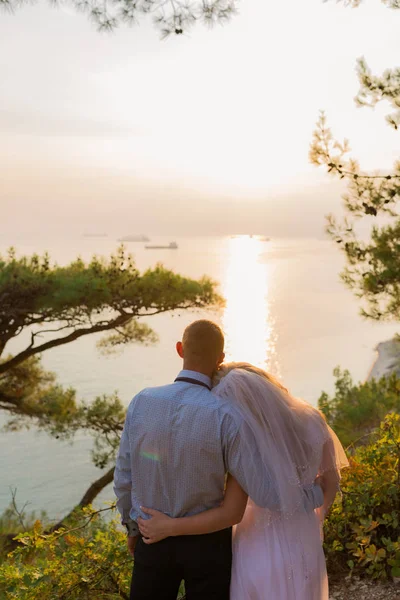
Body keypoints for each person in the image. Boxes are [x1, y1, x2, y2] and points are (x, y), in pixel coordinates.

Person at [113, 321, 325, 600]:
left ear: (180, 349)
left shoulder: (142, 401)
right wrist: (316, 492)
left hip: (152, 536)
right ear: (220, 358)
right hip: (208, 547)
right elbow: (264, 492)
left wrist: (132, 528)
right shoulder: (228, 416)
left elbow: (124, 478)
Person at [138, 362, 349, 600]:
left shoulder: (246, 445)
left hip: (257, 547)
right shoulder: (313, 420)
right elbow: (331, 481)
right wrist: (312, 517)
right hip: (304, 542)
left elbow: (231, 512)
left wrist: (169, 527)